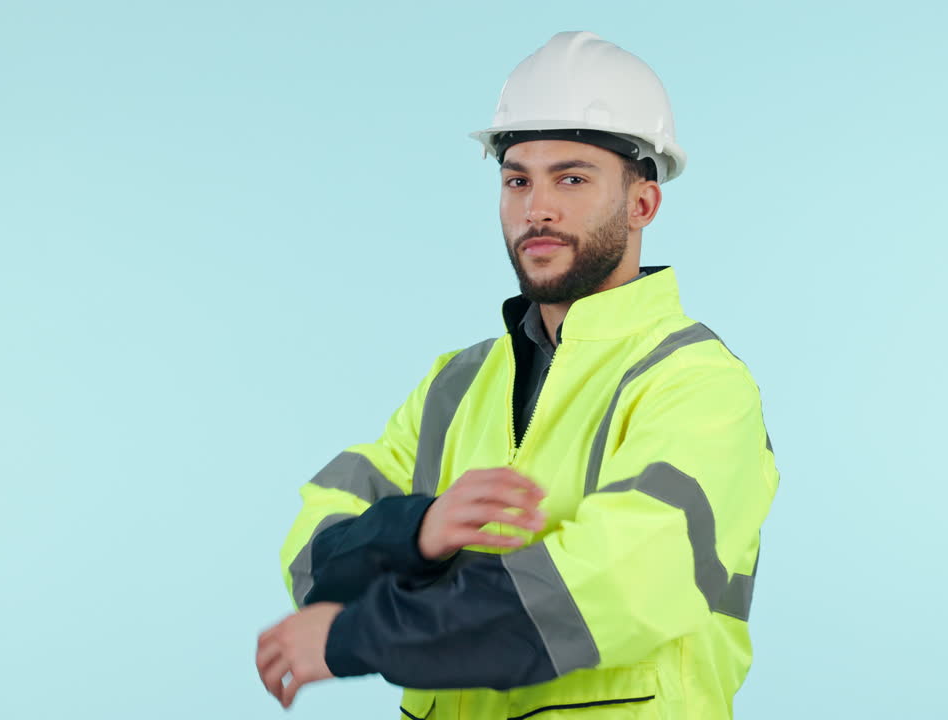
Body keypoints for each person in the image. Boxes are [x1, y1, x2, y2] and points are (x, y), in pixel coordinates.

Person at [255, 31, 780, 719]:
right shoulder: (456, 385)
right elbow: (313, 550)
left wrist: (362, 635)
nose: (538, 208)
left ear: (642, 203)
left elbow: (615, 585)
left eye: (572, 177)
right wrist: (416, 531)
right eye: (516, 179)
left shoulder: (698, 386)